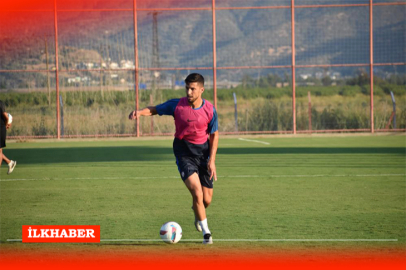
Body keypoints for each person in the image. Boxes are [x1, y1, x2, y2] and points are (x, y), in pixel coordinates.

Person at [129, 73, 219, 244]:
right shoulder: (177, 105)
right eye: (187, 88)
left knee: (206, 199)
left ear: (201, 90)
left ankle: (197, 213)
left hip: (203, 155)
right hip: (184, 152)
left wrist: (212, 160)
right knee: (197, 192)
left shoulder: (210, 110)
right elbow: (155, 109)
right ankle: (206, 233)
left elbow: (214, 135)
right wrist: (140, 112)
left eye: (193, 89)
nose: (189, 92)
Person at [0, 100, 17, 174]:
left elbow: (7, 116)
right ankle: (10, 162)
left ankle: (10, 162)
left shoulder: (0, 103)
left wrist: (6, 125)